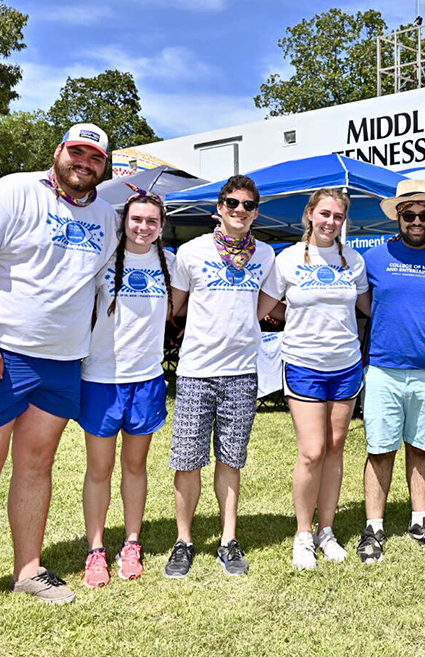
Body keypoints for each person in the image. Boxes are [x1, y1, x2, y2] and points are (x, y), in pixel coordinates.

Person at [0, 124, 118, 633]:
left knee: (37, 464)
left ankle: (29, 570)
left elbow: (95, 287)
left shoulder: (107, 217)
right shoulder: (13, 190)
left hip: (62, 360)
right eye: (77, 152)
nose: (84, 163)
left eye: (95, 157)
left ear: (104, 167)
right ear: (59, 152)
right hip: (1, 352)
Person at [165, 175, 275, 577]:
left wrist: (244, 322)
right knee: (187, 460)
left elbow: (266, 301)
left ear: (256, 213)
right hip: (196, 371)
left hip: (242, 372)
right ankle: (184, 541)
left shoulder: (266, 255)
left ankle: (228, 539)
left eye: (248, 205)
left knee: (231, 460)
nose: (239, 210)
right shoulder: (191, 252)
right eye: (232, 203)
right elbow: (175, 306)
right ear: (219, 208)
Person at [258, 188, 371, 570]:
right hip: (303, 364)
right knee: (312, 450)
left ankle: (327, 530)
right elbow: (261, 307)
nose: (331, 222)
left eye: (338, 216)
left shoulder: (353, 260)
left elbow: (368, 306)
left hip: (346, 365)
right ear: (309, 214)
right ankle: (303, 534)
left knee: (335, 447)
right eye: (325, 214)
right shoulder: (287, 259)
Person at [357, 180, 425, 563]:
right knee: (380, 450)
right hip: (384, 369)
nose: (417, 221)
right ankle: (374, 528)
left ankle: (420, 522)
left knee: (422, 448)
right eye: (409, 214)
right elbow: (363, 304)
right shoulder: (373, 258)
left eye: (424, 214)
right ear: (398, 217)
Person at [78, 188, 175, 588]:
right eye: (137, 219)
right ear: (124, 221)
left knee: (136, 467)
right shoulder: (102, 258)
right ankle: (96, 549)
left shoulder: (170, 263)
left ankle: (132, 543)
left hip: (147, 379)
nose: (143, 227)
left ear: (161, 226)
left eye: (152, 221)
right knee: (100, 468)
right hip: (101, 379)